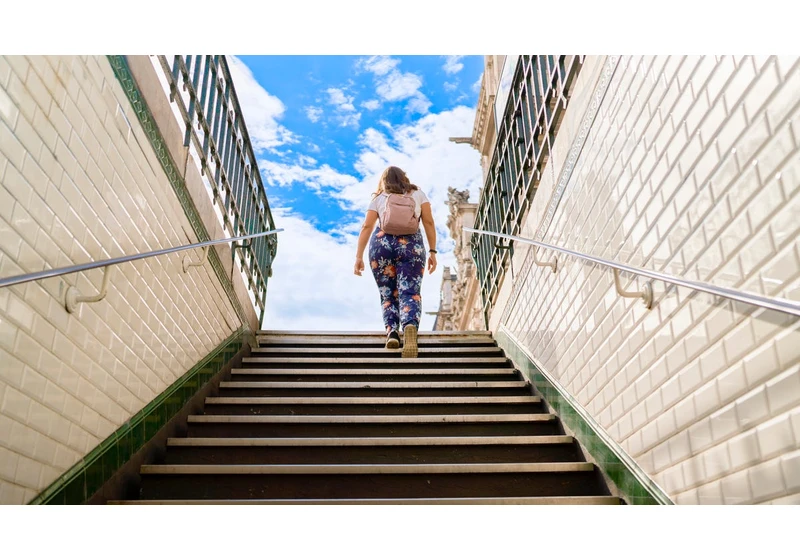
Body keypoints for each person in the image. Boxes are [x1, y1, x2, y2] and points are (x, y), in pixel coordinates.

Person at [354, 166, 437, 357]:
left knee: (388, 293)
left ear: (384, 180)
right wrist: (432, 251)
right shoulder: (418, 194)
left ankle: (392, 331)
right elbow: (429, 222)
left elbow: (367, 226)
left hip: (381, 245)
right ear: (404, 178)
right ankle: (409, 326)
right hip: (411, 245)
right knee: (410, 290)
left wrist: (358, 257)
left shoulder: (379, 197)